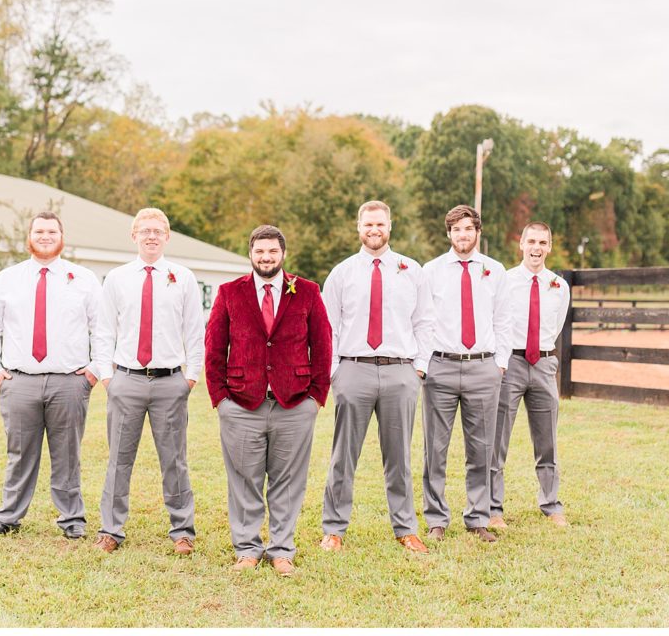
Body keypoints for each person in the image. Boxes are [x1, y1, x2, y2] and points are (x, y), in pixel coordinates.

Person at [204, 225, 332, 577]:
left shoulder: (306, 291)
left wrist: (315, 397)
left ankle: (281, 550)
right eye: (260, 251)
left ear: (283, 254)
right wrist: (221, 399)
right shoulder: (230, 292)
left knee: (288, 481)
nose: (266, 257)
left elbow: (323, 345)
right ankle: (247, 548)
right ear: (251, 254)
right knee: (243, 480)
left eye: (272, 251)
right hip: (242, 404)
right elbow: (214, 347)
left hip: (294, 404)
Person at [319, 201, 436, 554]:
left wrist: (418, 369)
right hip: (353, 368)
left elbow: (425, 322)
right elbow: (329, 327)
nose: (374, 229)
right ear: (358, 226)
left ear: (390, 225)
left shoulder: (411, 270)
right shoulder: (342, 273)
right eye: (368, 223)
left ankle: (405, 528)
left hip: (400, 371)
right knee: (344, 454)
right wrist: (336, 373)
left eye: (380, 224)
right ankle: (334, 528)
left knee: (399, 456)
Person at [0, 211, 102, 540]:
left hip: (69, 382)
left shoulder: (83, 278)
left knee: (68, 453)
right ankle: (7, 518)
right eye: (39, 231)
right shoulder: (8, 279)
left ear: (62, 237)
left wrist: (94, 370)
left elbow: (102, 326)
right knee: (19, 453)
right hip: (19, 381)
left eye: (51, 231)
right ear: (29, 236)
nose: (45, 236)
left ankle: (72, 519)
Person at [92, 207, 205, 555]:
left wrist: (191, 376)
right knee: (119, 459)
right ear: (134, 236)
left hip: (170, 381)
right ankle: (111, 530)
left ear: (167, 237)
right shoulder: (117, 278)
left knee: (175, 459)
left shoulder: (182, 277)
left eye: (158, 231)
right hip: (126, 379)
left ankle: (182, 530)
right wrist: (108, 375)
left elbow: (194, 330)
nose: (152, 236)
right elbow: (103, 329)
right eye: (145, 231)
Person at [420, 204, 511, 542]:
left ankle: (478, 518)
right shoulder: (430, 271)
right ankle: (436, 519)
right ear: (449, 234)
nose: (463, 235)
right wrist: (424, 363)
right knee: (435, 448)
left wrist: (499, 362)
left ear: (478, 232)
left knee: (482, 447)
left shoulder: (495, 270)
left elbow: (504, 319)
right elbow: (423, 320)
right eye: (457, 229)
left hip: (483, 366)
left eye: (468, 229)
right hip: (441, 367)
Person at [489, 222, 570, 529]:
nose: (537, 248)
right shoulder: (505, 281)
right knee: (498, 439)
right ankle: (494, 508)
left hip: (545, 364)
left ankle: (551, 503)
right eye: (531, 241)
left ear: (550, 247)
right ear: (520, 244)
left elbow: (557, 326)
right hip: (511, 362)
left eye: (543, 242)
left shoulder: (558, 287)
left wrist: (543, 356)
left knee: (547, 438)